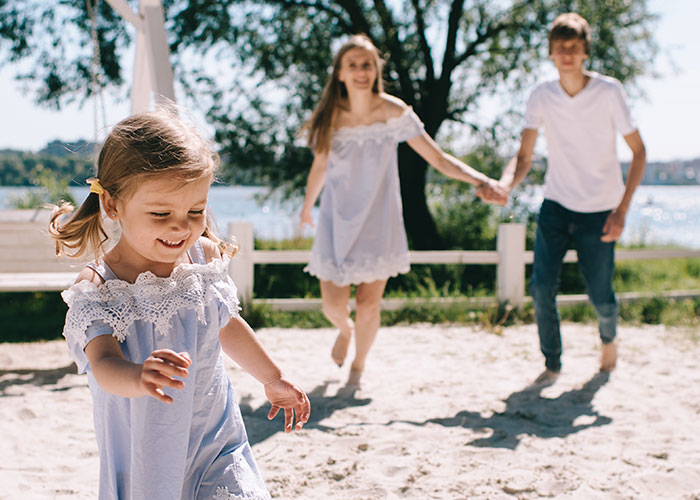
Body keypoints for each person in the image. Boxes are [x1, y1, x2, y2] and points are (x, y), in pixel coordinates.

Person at [49, 109, 310, 500]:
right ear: (112, 205)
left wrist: (272, 378)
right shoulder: (99, 286)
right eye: (161, 214)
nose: (181, 227)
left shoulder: (201, 259)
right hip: (147, 452)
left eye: (195, 211)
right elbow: (102, 365)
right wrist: (137, 376)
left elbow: (227, 324)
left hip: (214, 438)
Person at [299, 34, 507, 389]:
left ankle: (358, 368)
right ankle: (344, 331)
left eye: (367, 64)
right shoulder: (331, 117)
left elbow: (438, 157)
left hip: (379, 220)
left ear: (376, 69)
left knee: (368, 305)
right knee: (333, 306)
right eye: (353, 65)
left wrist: (480, 179)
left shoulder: (395, 112)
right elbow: (320, 165)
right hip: (337, 220)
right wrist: (306, 207)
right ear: (340, 74)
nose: (361, 71)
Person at [482, 13, 646, 386]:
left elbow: (639, 153)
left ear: (585, 51)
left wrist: (622, 210)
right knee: (541, 286)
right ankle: (552, 363)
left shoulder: (609, 92)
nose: (567, 54)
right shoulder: (542, 95)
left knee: (601, 294)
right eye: (560, 48)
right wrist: (506, 184)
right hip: (555, 204)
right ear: (551, 54)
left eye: (573, 47)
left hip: (600, 210)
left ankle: (608, 339)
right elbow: (524, 157)